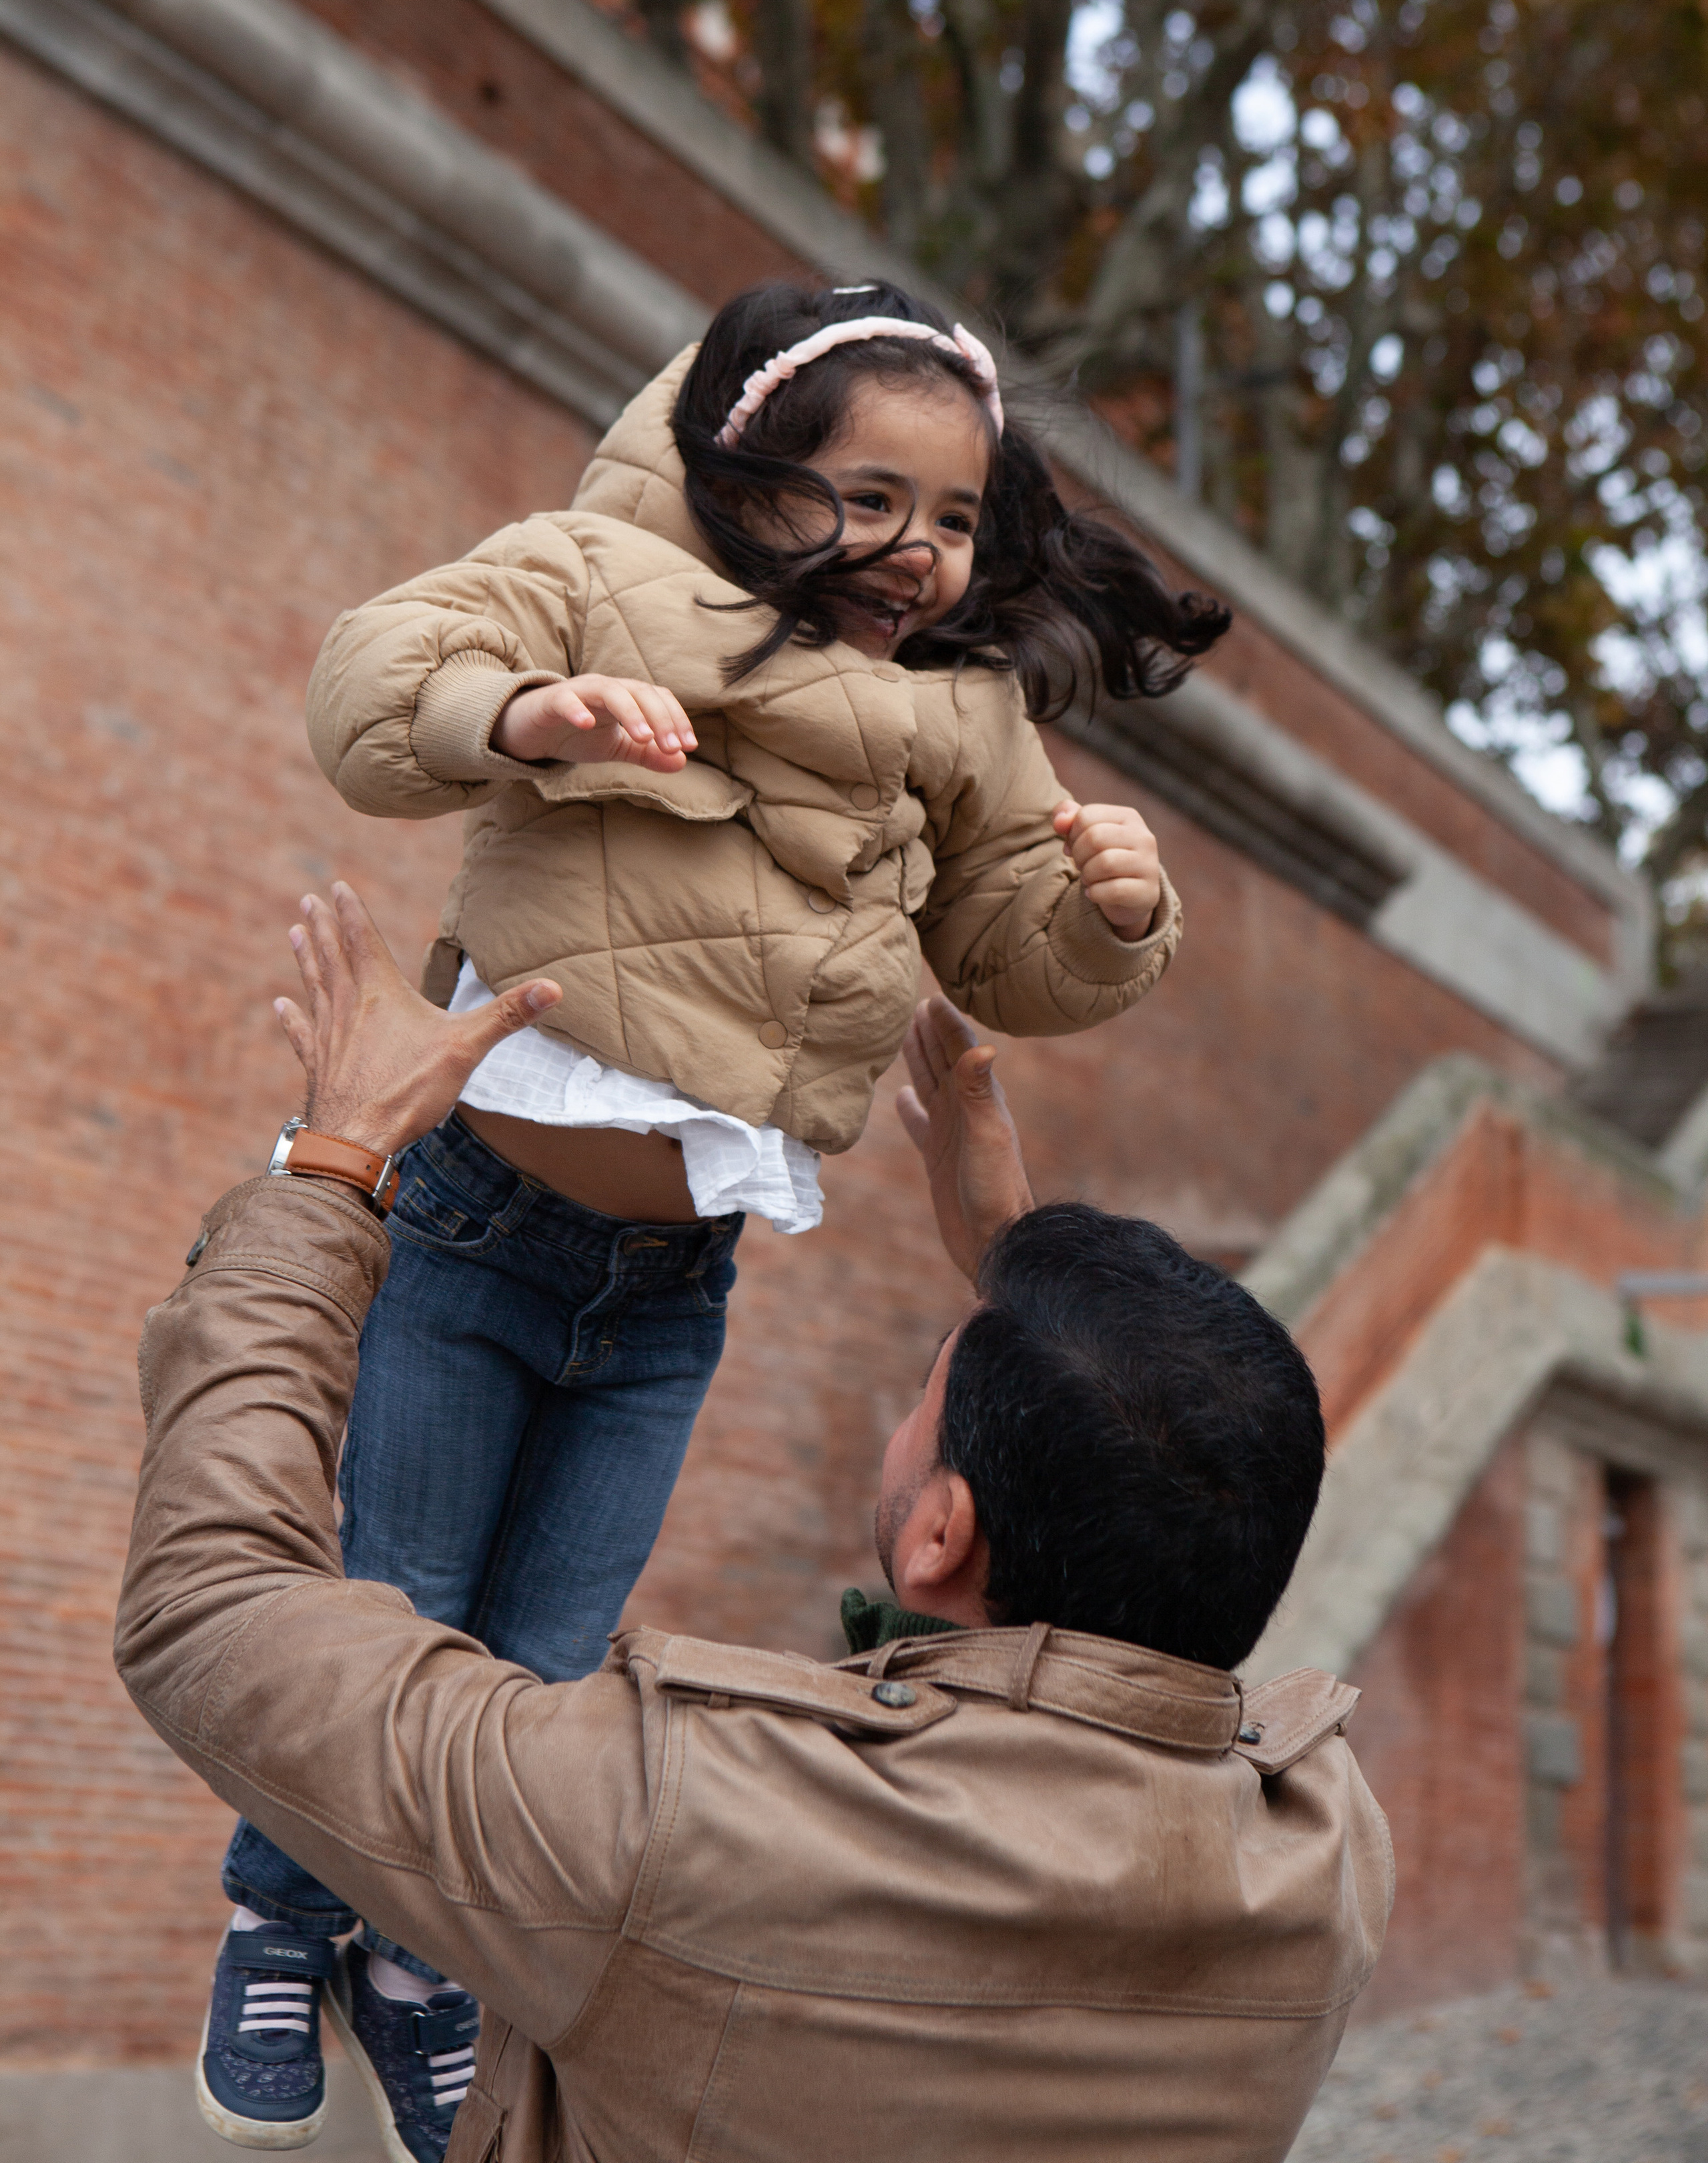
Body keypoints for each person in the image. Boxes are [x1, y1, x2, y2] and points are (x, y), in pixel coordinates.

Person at [197, 274, 1234, 2144]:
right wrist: (519, 713)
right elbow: (367, 689)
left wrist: (1115, 913)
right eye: (866, 497)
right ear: (747, 464)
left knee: (532, 1672)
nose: (912, 551)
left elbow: (1006, 955)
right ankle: (280, 1917)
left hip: (673, 1287)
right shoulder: (590, 572)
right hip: (467, 1222)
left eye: (950, 516)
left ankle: (425, 1966)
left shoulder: (965, 717)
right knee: (389, 1605)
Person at [117, 884, 1390, 2163]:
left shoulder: (677, 1827)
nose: (906, 1415)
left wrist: (333, 1163)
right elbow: (1164, 1503)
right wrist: (1028, 1289)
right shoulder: (1324, 1859)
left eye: (922, 1396)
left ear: (941, 1535)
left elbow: (219, 1613)